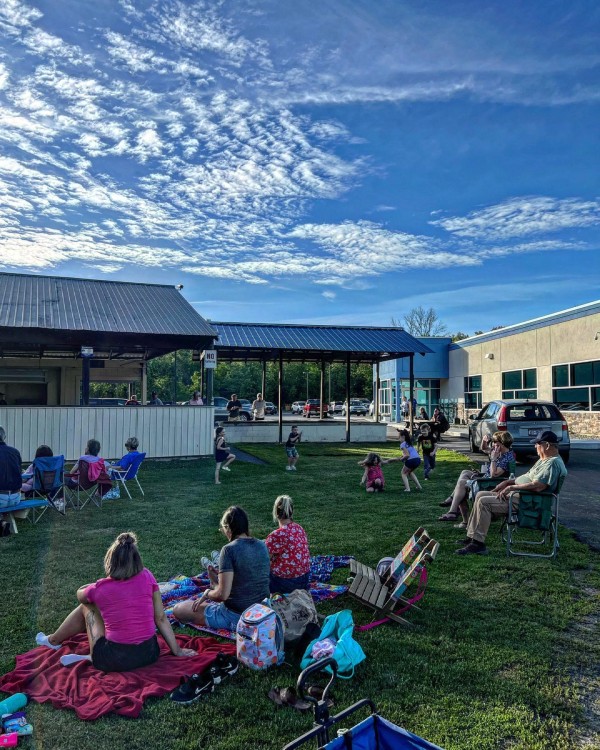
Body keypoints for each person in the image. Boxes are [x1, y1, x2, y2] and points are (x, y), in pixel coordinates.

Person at [35, 531, 196, 670]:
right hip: (150, 653)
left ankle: (54, 640)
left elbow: (80, 595)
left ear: (110, 560)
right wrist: (177, 650)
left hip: (114, 659)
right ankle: (72, 648)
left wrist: (91, 587)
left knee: (86, 607)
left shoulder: (100, 588)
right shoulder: (147, 576)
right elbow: (160, 618)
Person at [456, 431, 567, 556]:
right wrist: (508, 482)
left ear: (547, 445)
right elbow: (528, 477)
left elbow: (538, 486)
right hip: (520, 496)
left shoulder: (553, 463)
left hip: (527, 502)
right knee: (480, 494)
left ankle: (478, 544)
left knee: (483, 502)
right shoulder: (545, 460)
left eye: (537, 443)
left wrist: (511, 487)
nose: (535, 446)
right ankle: (472, 537)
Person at [173, 506, 270, 631]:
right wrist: (216, 581)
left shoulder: (229, 550)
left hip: (237, 616)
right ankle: (214, 586)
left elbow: (222, 595)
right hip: (263, 611)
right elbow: (248, 578)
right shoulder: (262, 545)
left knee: (179, 609)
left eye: (223, 528)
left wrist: (207, 593)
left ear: (228, 528)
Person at [438, 431, 514, 525]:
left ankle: (453, 511)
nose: (493, 444)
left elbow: (494, 475)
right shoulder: (500, 452)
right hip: (486, 479)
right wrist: (484, 441)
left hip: (490, 484)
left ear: (502, 444)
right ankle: (453, 502)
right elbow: (484, 448)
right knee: (465, 472)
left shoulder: (506, 458)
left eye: (495, 443)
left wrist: (493, 459)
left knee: (462, 484)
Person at [265, 495, 311, 593]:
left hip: (287, 583)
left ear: (276, 513)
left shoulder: (276, 535)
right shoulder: (299, 528)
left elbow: (265, 560)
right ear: (292, 512)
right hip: (305, 579)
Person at [0, 427, 22, 535]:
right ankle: (2, 522)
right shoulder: (15, 452)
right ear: (4, 437)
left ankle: (2, 523)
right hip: (15, 497)